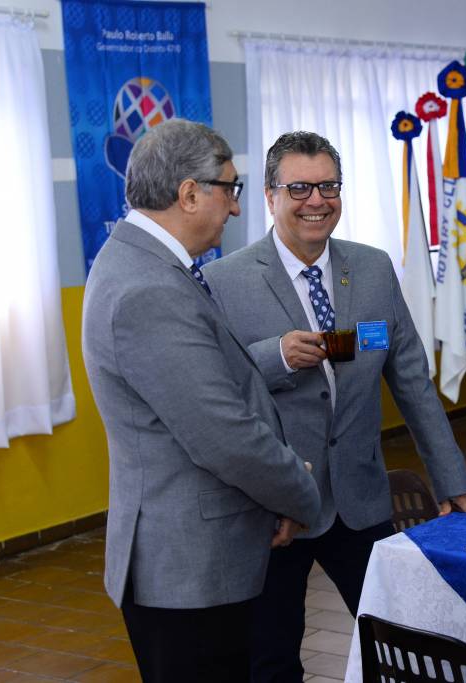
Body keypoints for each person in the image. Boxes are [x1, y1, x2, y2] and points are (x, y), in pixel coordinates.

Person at [204, 130, 466, 681]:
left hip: (360, 498)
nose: (317, 200)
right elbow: (212, 389)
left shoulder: (373, 268)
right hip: (275, 505)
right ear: (270, 196)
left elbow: (412, 380)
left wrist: (451, 478)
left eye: (329, 186)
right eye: (299, 188)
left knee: (404, 641)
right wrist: (276, 356)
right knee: (273, 658)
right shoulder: (222, 281)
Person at [82, 119, 321, 682]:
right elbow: (223, 434)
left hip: (195, 560)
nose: (236, 207)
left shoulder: (145, 264)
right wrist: (300, 491)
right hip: (189, 570)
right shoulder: (149, 288)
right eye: (230, 189)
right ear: (189, 194)